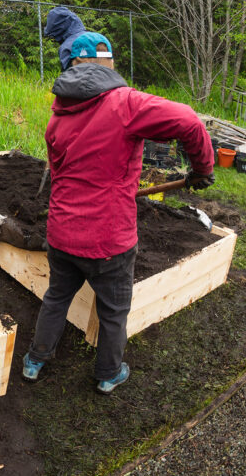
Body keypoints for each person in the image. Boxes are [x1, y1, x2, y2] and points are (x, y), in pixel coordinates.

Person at [22, 32, 215, 394]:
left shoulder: (57, 117)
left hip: (62, 232)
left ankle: (36, 359)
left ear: (71, 67)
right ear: (107, 64)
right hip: (107, 239)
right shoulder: (126, 105)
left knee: (57, 296)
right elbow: (189, 121)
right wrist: (203, 170)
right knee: (112, 311)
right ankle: (108, 373)